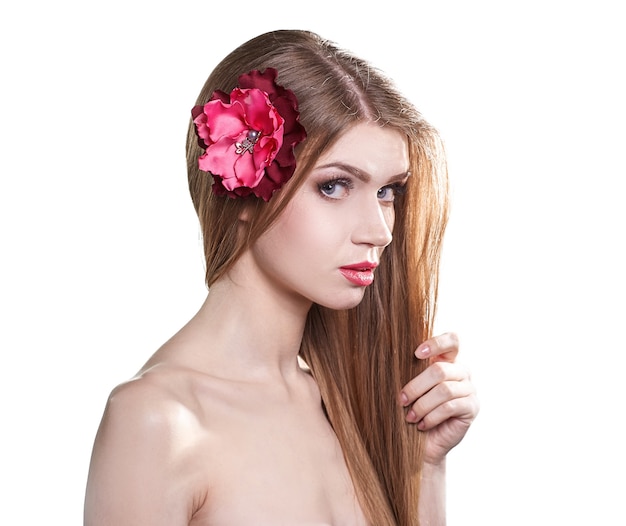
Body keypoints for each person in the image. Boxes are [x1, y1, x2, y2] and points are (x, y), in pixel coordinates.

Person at [84, 29, 479, 525]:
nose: (378, 231)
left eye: (388, 192)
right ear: (243, 183)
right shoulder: (158, 421)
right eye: (334, 186)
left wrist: (425, 467)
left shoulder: (348, 402)